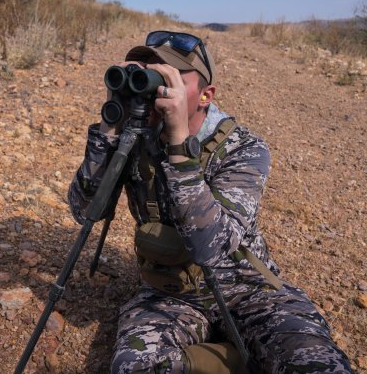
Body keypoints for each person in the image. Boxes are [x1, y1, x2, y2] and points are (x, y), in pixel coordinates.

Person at [68, 30, 352, 374]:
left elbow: (210, 250)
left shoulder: (244, 149)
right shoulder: (135, 135)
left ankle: (247, 353)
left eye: (167, 77)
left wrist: (177, 147)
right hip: (170, 294)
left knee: (317, 365)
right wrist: (110, 128)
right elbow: (84, 209)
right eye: (145, 74)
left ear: (205, 95)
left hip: (248, 290)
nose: (153, 88)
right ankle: (239, 360)